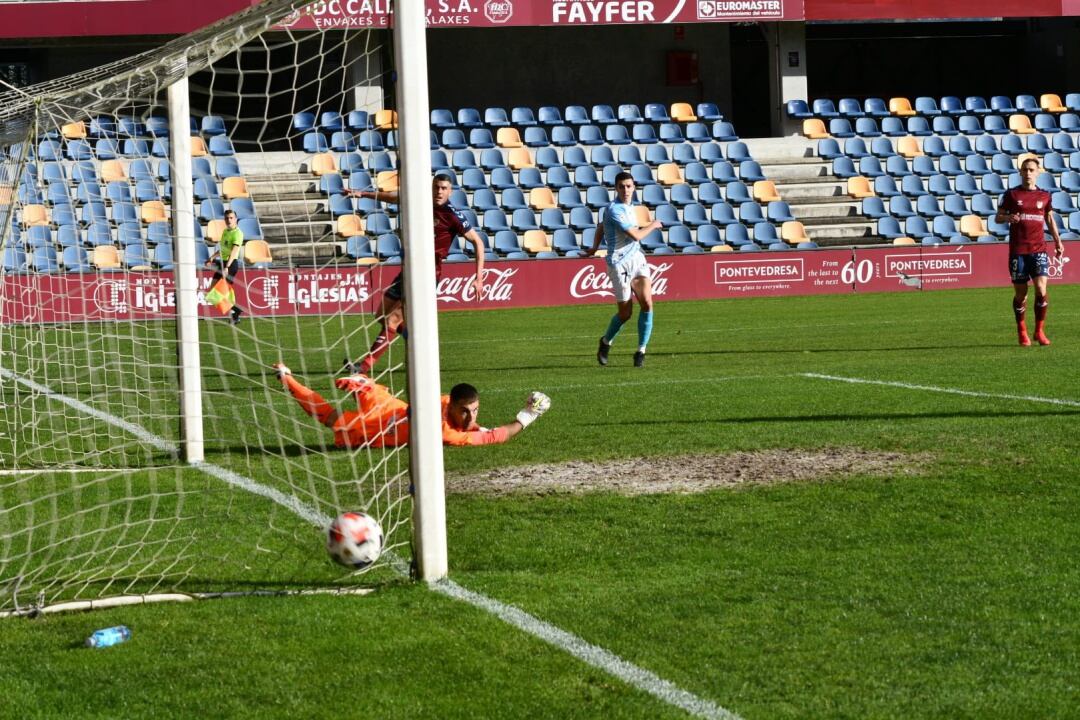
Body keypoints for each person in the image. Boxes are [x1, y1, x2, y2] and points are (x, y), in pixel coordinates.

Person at [344, 174, 486, 374]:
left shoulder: (452, 215)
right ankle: (421, 350)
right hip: (409, 268)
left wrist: (479, 278)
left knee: (392, 320)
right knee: (381, 316)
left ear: (450, 191)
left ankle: (363, 369)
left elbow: (478, 243)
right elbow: (394, 197)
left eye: (444, 188)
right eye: (436, 187)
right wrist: (364, 194)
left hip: (427, 273)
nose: (439, 192)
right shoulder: (421, 201)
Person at [272, 363, 550, 448]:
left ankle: (364, 383)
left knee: (360, 395)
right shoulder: (443, 433)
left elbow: (476, 427)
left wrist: (477, 422)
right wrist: (528, 415)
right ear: (452, 406)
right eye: (465, 410)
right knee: (329, 419)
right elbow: (494, 437)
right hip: (378, 427)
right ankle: (289, 380)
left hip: (390, 405)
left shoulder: (444, 401)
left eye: (474, 409)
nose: (470, 416)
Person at [586, 171, 662, 367]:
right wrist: (653, 225)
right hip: (618, 263)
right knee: (625, 313)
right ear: (616, 188)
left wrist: (594, 247)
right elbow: (636, 235)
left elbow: (601, 226)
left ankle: (641, 352)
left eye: (629, 186)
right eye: (622, 186)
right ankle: (605, 342)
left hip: (637, 258)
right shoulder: (615, 209)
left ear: (634, 187)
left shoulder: (630, 206)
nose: (626, 190)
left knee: (647, 303)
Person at [995, 157, 1065, 346]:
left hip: (1039, 249)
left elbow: (1050, 219)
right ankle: (1022, 331)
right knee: (1021, 295)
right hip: (1018, 251)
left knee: (1042, 290)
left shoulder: (1045, 196)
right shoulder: (1011, 194)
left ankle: (1039, 331)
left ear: (1038, 172)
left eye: (1031, 170)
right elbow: (997, 218)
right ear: (1020, 172)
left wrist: (1058, 242)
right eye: (1025, 170)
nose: (1028, 173)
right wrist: (1008, 217)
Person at [205, 209, 245, 326]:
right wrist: (212, 257)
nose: (229, 220)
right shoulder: (225, 232)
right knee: (212, 291)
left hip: (231, 265)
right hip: (222, 263)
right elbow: (223, 249)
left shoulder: (238, 233)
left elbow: (234, 251)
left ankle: (235, 312)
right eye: (227, 218)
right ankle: (236, 311)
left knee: (221, 291)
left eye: (231, 218)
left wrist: (227, 267)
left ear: (236, 219)